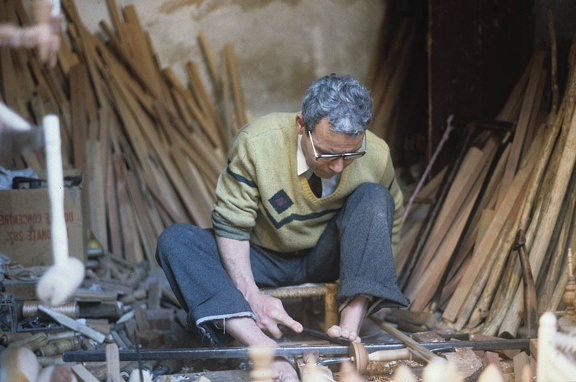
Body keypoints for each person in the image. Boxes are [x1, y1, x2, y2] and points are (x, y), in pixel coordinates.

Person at [156, 73, 409, 381]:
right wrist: (251, 294)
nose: (339, 166)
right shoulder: (258, 143)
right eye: (327, 154)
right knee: (176, 241)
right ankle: (260, 345)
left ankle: (349, 327)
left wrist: (369, 293)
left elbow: (386, 221)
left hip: (326, 256)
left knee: (374, 197)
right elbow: (231, 223)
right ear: (301, 125)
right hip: (262, 254)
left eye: (349, 154)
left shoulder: (377, 154)